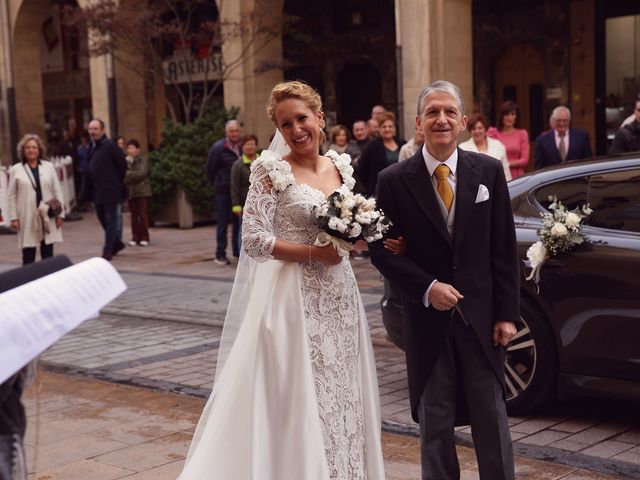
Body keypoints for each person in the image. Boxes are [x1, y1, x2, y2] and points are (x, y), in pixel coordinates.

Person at [178, 81, 385, 479]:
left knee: (342, 391)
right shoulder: (270, 172)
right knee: (297, 397)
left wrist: (356, 236)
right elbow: (253, 240)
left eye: (302, 119)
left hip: (339, 297)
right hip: (292, 301)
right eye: (286, 124)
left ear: (320, 118)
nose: (296, 130)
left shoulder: (339, 166)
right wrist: (313, 253)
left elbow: (348, 223)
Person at [369, 80, 519, 480]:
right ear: (419, 123)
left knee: (491, 417)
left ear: (464, 121)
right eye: (432, 112)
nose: (441, 119)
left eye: (449, 112)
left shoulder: (488, 171)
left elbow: (503, 246)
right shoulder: (393, 180)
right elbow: (380, 251)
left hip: (482, 319)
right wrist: (426, 287)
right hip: (426, 323)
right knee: (435, 423)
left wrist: (506, 314)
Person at [8, 134, 65, 265]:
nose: (31, 150)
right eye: (27, 147)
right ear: (23, 150)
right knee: (28, 252)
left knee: (48, 252)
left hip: (47, 214)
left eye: (34, 147)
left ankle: (48, 280)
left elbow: (58, 191)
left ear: (39, 150)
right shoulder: (16, 169)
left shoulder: (48, 167)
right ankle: (28, 281)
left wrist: (60, 215)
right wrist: (13, 218)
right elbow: (11, 196)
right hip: (27, 215)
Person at [85, 119, 127, 261]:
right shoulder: (91, 147)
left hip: (111, 189)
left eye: (95, 129)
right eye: (90, 129)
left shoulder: (110, 146)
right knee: (102, 218)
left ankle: (108, 249)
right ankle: (116, 243)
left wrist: (114, 181)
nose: (92, 132)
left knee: (110, 220)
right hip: (98, 190)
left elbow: (122, 164)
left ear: (102, 130)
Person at [206, 119, 242, 265]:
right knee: (222, 223)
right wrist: (218, 183)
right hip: (222, 191)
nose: (234, 133)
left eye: (236, 131)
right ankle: (220, 253)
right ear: (226, 132)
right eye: (231, 131)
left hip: (237, 192)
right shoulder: (218, 148)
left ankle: (236, 251)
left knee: (237, 223)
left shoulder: (242, 146)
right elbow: (210, 170)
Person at [358, 111, 406, 196]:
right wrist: (370, 187)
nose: (387, 129)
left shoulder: (403, 144)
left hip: (401, 190)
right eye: (384, 127)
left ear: (394, 128)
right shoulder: (371, 147)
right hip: (380, 192)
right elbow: (362, 169)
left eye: (390, 126)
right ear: (379, 129)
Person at [459, 113, 512, 180]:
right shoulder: (462, 148)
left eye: (480, 128)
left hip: (496, 187)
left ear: (485, 129)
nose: (477, 131)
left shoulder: (499, 145)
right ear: (470, 131)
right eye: (474, 128)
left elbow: (506, 174)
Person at [488, 101, 530, 179]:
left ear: (516, 116)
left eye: (512, 114)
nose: (510, 117)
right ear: (501, 116)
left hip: (517, 176)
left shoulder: (522, 134)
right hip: (498, 175)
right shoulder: (493, 133)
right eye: (507, 114)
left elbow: (525, 159)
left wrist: (506, 164)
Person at [230, 134, 258, 248]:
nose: (249, 147)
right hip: (245, 203)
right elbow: (234, 186)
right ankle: (243, 259)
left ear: (256, 146)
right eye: (247, 144)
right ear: (243, 147)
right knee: (244, 231)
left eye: (252, 144)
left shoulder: (263, 160)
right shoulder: (238, 165)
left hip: (260, 203)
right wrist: (236, 205)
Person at [123, 139, 151, 247]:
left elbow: (142, 173)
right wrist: (129, 175)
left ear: (137, 150)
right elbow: (123, 175)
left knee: (142, 215)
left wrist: (129, 175)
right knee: (133, 215)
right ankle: (135, 237)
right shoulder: (126, 161)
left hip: (142, 191)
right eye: (128, 148)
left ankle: (145, 237)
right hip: (131, 192)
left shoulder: (142, 160)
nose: (130, 150)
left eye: (132, 148)